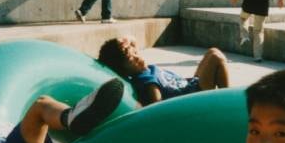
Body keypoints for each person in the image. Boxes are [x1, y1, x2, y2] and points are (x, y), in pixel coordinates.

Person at [97, 36, 229, 106]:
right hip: (194, 95)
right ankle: (228, 103)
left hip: (191, 84)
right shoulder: (147, 83)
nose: (138, 58)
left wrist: (123, 43)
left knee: (212, 52)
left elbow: (132, 39)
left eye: (135, 53)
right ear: (124, 71)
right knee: (216, 56)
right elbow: (158, 107)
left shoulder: (143, 70)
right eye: (132, 60)